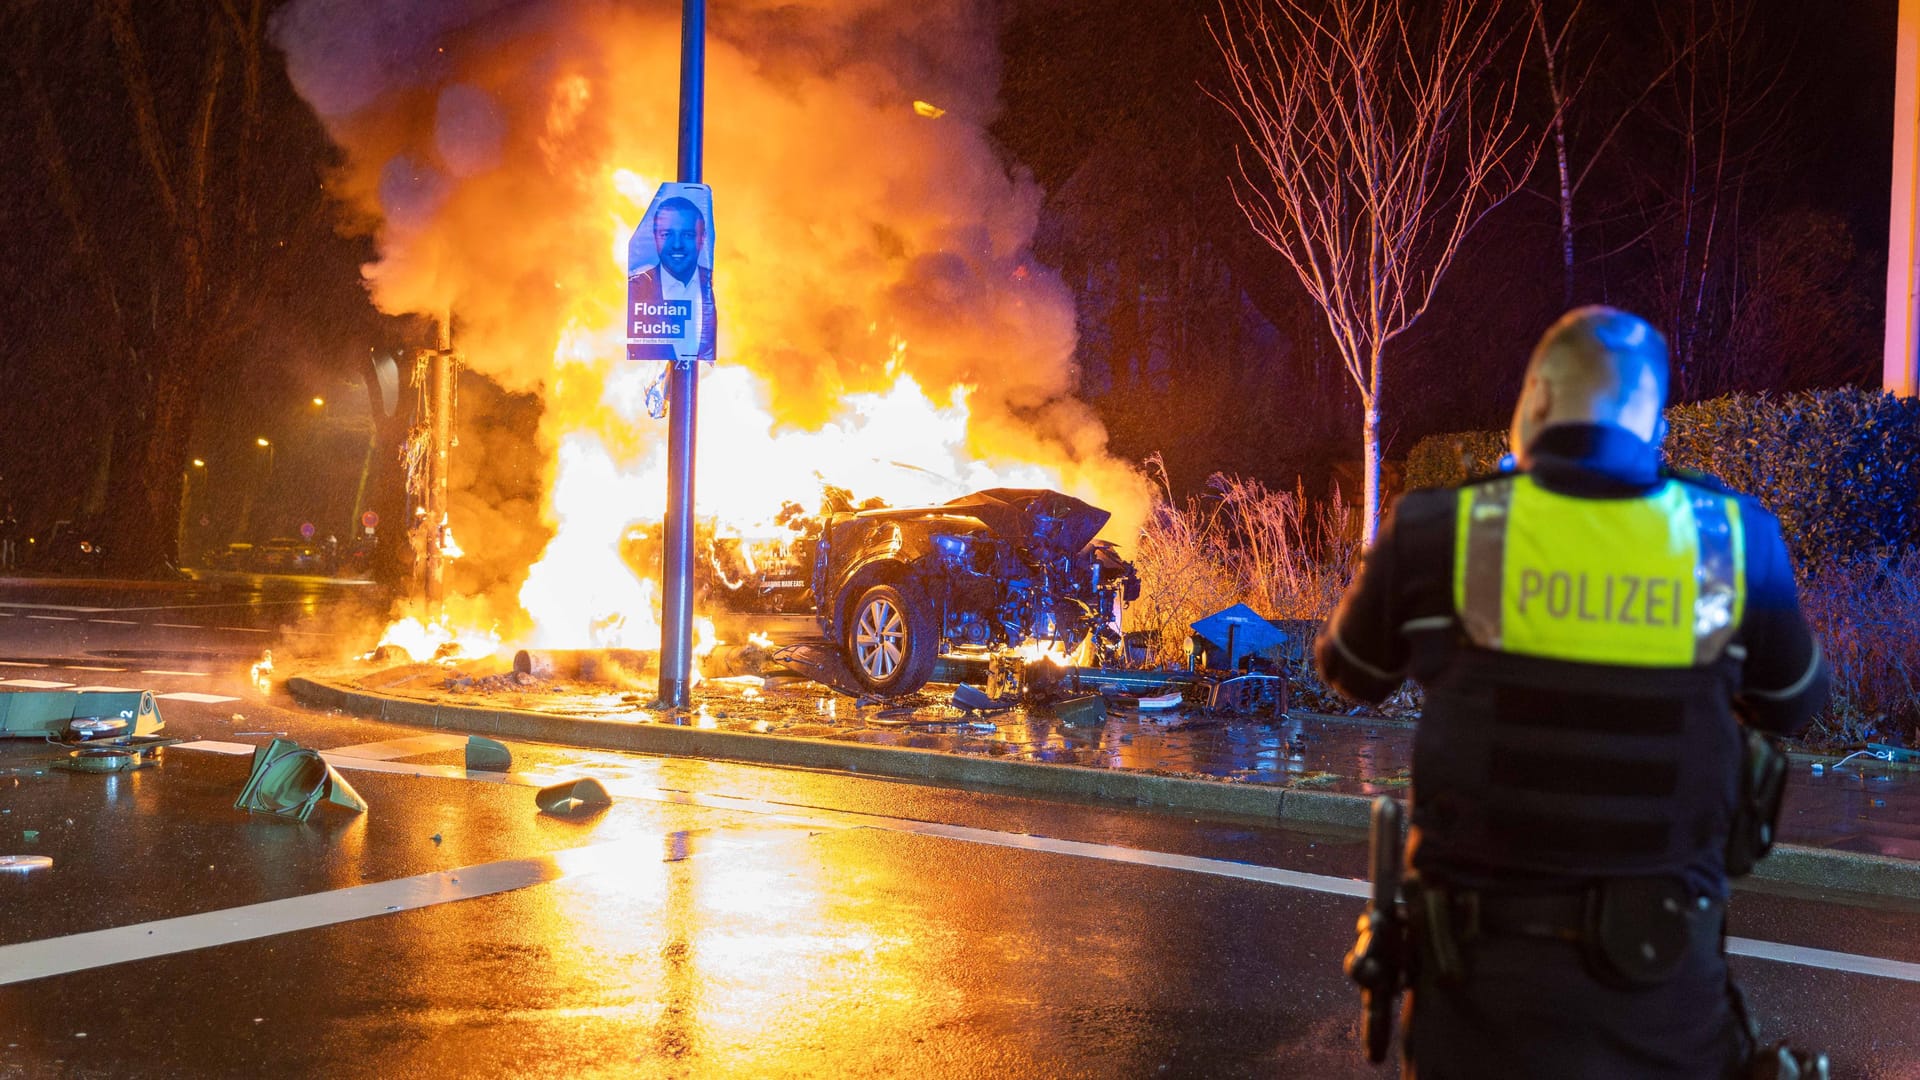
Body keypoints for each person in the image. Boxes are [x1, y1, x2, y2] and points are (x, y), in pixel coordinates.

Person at [1317, 306, 1829, 1079]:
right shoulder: (1730, 538)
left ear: (1536, 404)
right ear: (1653, 427)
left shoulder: (1445, 530)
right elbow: (1794, 701)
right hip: (1664, 1003)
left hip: (1475, 1007)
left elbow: (1350, 669)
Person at [627, 196, 716, 363]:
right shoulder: (634, 290)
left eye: (688, 235)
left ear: (702, 238)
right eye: (666, 234)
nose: (677, 244)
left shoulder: (719, 287)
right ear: (655, 236)